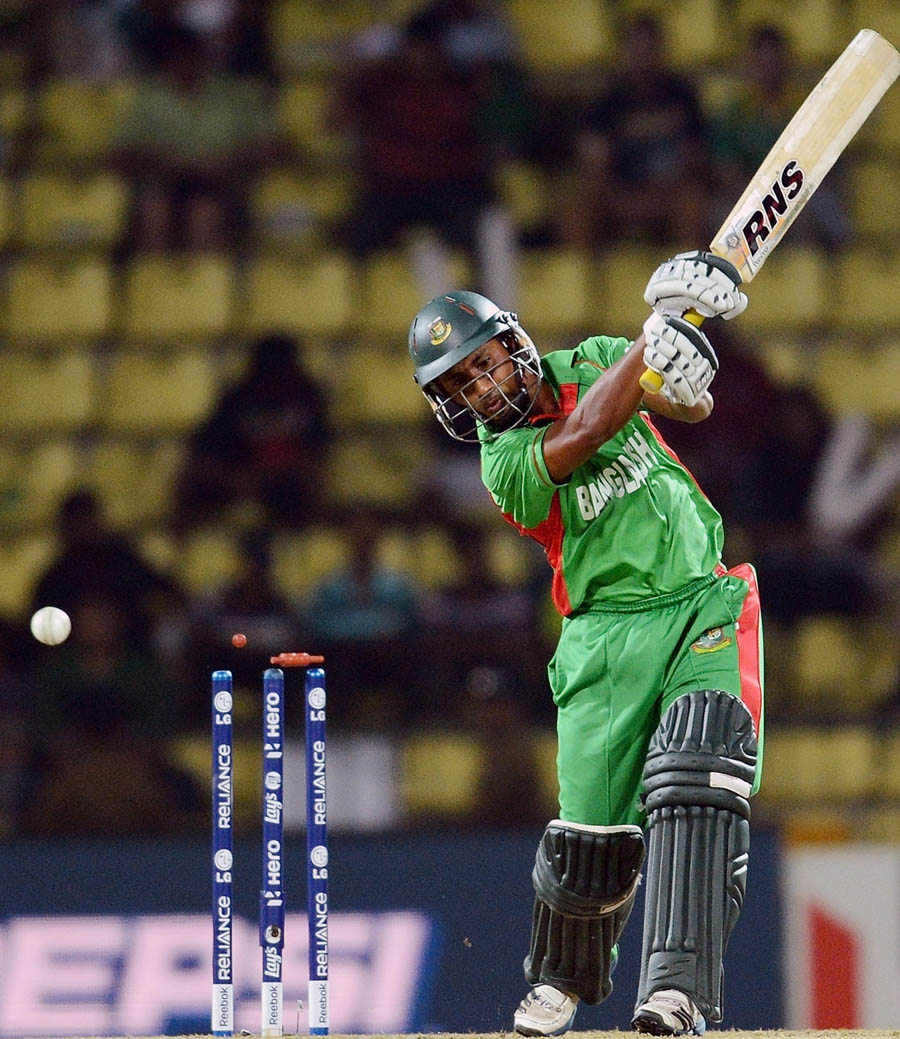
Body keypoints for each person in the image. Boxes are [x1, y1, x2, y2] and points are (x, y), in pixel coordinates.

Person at [407, 252, 763, 1036]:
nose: (481, 388)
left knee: (698, 778)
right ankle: (563, 978)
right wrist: (658, 329)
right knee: (591, 839)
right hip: (602, 637)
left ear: (514, 341)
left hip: (699, 597)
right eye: (460, 387)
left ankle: (678, 991)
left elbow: (686, 407)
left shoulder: (597, 356)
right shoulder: (503, 465)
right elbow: (590, 426)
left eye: (482, 364)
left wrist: (676, 352)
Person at [558, 13, 710, 248]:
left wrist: (660, 191)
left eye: (649, 50)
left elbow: (694, 156)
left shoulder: (682, 97)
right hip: (618, 194)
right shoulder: (605, 103)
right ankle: (583, 281)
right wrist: (623, 196)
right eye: (636, 49)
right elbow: (593, 162)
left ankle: (690, 276)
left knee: (692, 203)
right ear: (624, 51)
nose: (642, 58)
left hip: (668, 193)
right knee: (578, 209)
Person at [171, 333, 330, 534]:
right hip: (237, 477)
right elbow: (206, 448)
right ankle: (180, 549)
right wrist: (237, 477)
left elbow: (313, 454)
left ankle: (311, 545)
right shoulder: (238, 399)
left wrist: (266, 476)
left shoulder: (308, 398)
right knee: (190, 477)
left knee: (308, 480)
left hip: (283, 481)